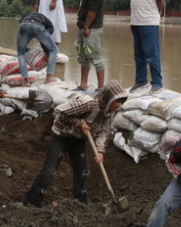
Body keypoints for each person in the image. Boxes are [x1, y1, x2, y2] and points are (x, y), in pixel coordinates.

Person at [21, 79, 127, 207]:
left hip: (79, 140)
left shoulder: (109, 114)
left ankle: (80, 205)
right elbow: (59, 111)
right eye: (117, 101)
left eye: (121, 102)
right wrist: (80, 123)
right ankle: (30, 203)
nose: (119, 105)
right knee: (48, 172)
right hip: (61, 136)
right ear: (109, 98)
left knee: (83, 173)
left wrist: (100, 151)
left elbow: (103, 133)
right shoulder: (88, 103)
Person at [128, 0, 166, 94]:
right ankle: (141, 80)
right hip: (136, 20)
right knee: (138, 54)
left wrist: (159, 10)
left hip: (148, 21)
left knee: (151, 53)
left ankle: (157, 82)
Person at [74, 0, 107, 93]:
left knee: (95, 56)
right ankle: (83, 85)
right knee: (83, 55)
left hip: (91, 28)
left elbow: (93, 9)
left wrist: (86, 26)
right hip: (84, 27)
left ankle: (100, 88)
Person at [16, 11, 59, 86]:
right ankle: (48, 79)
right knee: (53, 49)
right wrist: (43, 41)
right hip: (37, 26)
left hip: (23, 25)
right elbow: (51, 28)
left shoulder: (26, 16)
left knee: (20, 53)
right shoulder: (43, 17)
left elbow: (21, 25)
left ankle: (26, 81)